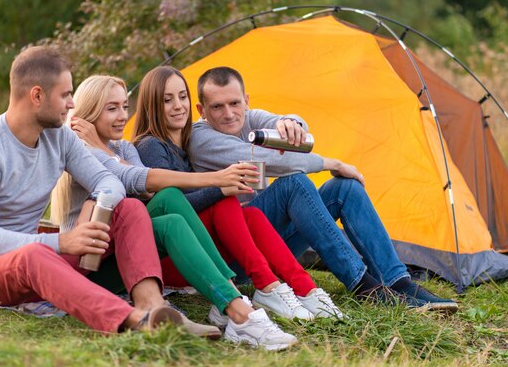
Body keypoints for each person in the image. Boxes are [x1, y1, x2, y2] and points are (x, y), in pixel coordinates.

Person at [0, 46, 188, 335]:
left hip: (38, 263)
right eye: (65, 94)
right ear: (37, 96)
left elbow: (110, 182)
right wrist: (63, 242)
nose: (72, 104)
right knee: (33, 255)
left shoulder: (59, 137)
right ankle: (134, 321)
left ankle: (152, 306)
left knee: (129, 209)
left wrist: (95, 202)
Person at [49, 74, 298, 350]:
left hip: (124, 251)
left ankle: (234, 299)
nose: (122, 116)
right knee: (169, 206)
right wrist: (217, 179)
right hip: (88, 265)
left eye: (124, 107)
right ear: (89, 113)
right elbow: (130, 177)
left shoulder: (123, 147)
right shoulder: (80, 147)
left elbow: (146, 188)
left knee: (170, 209)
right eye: (112, 108)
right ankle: (238, 308)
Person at [189, 66, 458, 312]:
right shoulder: (201, 139)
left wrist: (292, 123)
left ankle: (398, 283)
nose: (228, 114)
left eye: (235, 103)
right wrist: (331, 162)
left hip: (269, 243)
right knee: (294, 183)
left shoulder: (249, 118)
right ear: (202, 110)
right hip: (235, 259)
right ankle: (364, 286)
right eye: (217, 107)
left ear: (246, 100)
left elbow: (295, 128)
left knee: (345, 188)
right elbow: (268, 162)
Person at [131, 65, 344, 323]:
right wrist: (220, 188)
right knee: (226, 201)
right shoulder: (152, 146)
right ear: (152, 105)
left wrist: (290, 123)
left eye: (182, 97)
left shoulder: (182, 143)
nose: (178, 106)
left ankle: (303, 288)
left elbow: (280, 122)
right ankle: (265, 287)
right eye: (167, 100)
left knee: (251, 214)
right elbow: (171, 206)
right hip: (173, 257)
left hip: (199, 248)